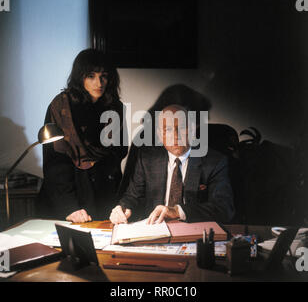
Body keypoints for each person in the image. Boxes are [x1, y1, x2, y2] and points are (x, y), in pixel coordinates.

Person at [37, 49, 128, 222]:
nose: (99, 82)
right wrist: (69, 206)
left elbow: (120, 151)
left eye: (104, 76)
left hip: (104, 192)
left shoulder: (115, 107)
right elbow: (55, 163)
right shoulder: (61, 106)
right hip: (71, 192)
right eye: (91, 76)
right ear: (80, 77)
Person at [109, 104, 234, 225]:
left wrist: (177, 211)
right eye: (167, 129)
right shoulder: (147, 159)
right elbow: (132, 197)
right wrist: (124, 208)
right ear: (159, 134)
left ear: (192, 129)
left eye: (181, 127)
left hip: (194, 231)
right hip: (155, 230)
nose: (175, 136)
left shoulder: (215, 161)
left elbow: (224, 209)